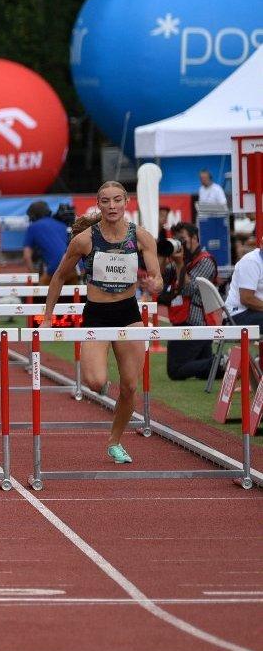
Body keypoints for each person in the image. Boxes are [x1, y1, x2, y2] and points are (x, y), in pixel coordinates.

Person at [41, 181, 163, 465]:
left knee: (131, 387)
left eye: (117, 200)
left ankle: (115, 441)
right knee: (95, 382)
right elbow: (58, 276)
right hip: (96, 314)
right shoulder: (85, 240)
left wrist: (154, 284)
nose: (112, 206)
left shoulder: (142, 237)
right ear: (98, 203)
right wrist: (47, 318)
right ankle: (104, 388)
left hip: (129, 314)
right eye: (106, 201)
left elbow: (157, 279)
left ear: (126, 202)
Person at [161, 223, 222, 381]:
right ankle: (223, 364)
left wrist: (180, 263)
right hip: (184, 319)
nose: (179, 242)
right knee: (204, 373)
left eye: (182, 238)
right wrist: (163, 254)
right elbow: (162, 277)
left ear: (194, 238)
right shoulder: (182, 259)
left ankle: (223, 362)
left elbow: (189, 289)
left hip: (195, 323)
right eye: (176, 239)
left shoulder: (205, 261)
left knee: (175, 371)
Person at [25, 201, 70, 285]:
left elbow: (27, 256)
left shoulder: (32, 228)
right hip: (76, 264)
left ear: (33, 216)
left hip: (57, 265)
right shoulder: (62, 225)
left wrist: (34, 275)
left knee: (38, 293)